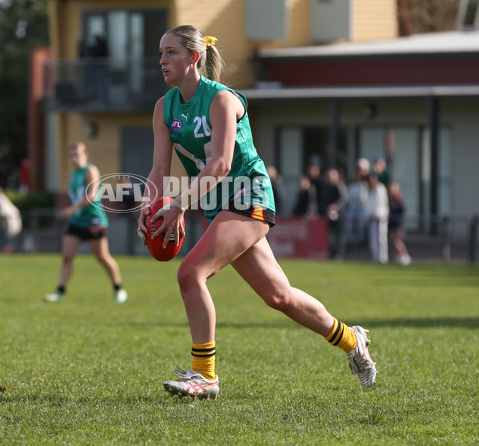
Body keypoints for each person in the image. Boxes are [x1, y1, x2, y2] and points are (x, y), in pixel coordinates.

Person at [137, 25, 376, 400]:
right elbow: (159, 168)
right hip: (221, 203)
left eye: (171, 52)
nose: (162, 60)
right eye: (161, 53)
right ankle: (352, 339)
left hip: (249, 194)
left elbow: (220, 164)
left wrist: (180, 205)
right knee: (278, 296)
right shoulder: (164, 107)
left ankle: (205, 376)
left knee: (191, 273)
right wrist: (151, 206)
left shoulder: (222, 100)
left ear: (194, 57)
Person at [44, 143, 127, 304]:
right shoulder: (73, 175)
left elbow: (92, 195)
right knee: (67, 257)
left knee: (102, 257)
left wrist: (71, 209)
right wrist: (71, 211)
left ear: (86, 156)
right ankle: (60, 292)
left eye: (78, 155)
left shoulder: (90, 170)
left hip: (93, 220)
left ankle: (118, 288)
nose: (74, 158)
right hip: (77, 221)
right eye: (72, 155)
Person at [319, 167, 348, 260]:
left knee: (340, 235)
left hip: (340, 214)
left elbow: (344, 200)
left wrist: (336, 206)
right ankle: (332, 253)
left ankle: (339, 254)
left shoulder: (340, 186)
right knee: (330, 235)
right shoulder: (326, 187)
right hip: (329, 215)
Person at [0, 186, 22, 253]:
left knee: (10, 236)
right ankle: (6, 248)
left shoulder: (1, 199)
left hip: (11, 220)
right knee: (5, 235)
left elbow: (3, 211)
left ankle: (9, 249)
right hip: (4, 221)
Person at [364, 173, 389, 264]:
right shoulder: (368, 190)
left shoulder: (380, 188)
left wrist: (378, 213)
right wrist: (368, 214)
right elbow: (367, 204)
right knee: (373, 239)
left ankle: (383, 258)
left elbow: (382, 203)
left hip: (381, 217)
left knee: (382, 238)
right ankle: (375, 257)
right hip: (371, 217)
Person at [346, 158, 370, 247]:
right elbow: (348, 197)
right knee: (349, 227)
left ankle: (361, 245)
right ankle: (351, 245)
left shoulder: (368, 182)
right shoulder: (351, 182)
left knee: (361, 228)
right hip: (353, 208)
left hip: (363, 209)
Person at [388, 181, 412, 265]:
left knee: (396, 241)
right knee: (393, 241)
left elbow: (401, 211)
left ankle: (404, 256)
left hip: (398, 223)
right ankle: (399, 256)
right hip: (393, 223)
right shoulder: (391, 199)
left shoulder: (399, 199)